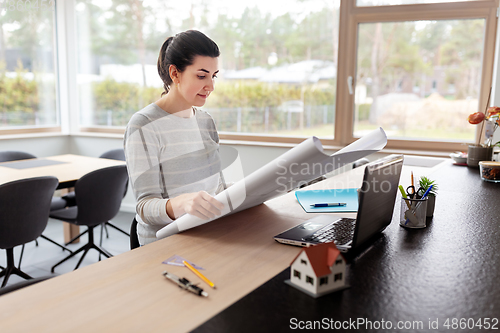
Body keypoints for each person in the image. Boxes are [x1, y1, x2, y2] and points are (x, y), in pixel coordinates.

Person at [124, 30, 225, 246]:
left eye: (213, 75)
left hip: (207, 233)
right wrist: (182, 204)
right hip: (165, 243)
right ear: (175, 73)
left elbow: (217, 188)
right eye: (201, 75)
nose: (211, 86)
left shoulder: (206, 121)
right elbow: (145, 207)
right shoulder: (143, 125)